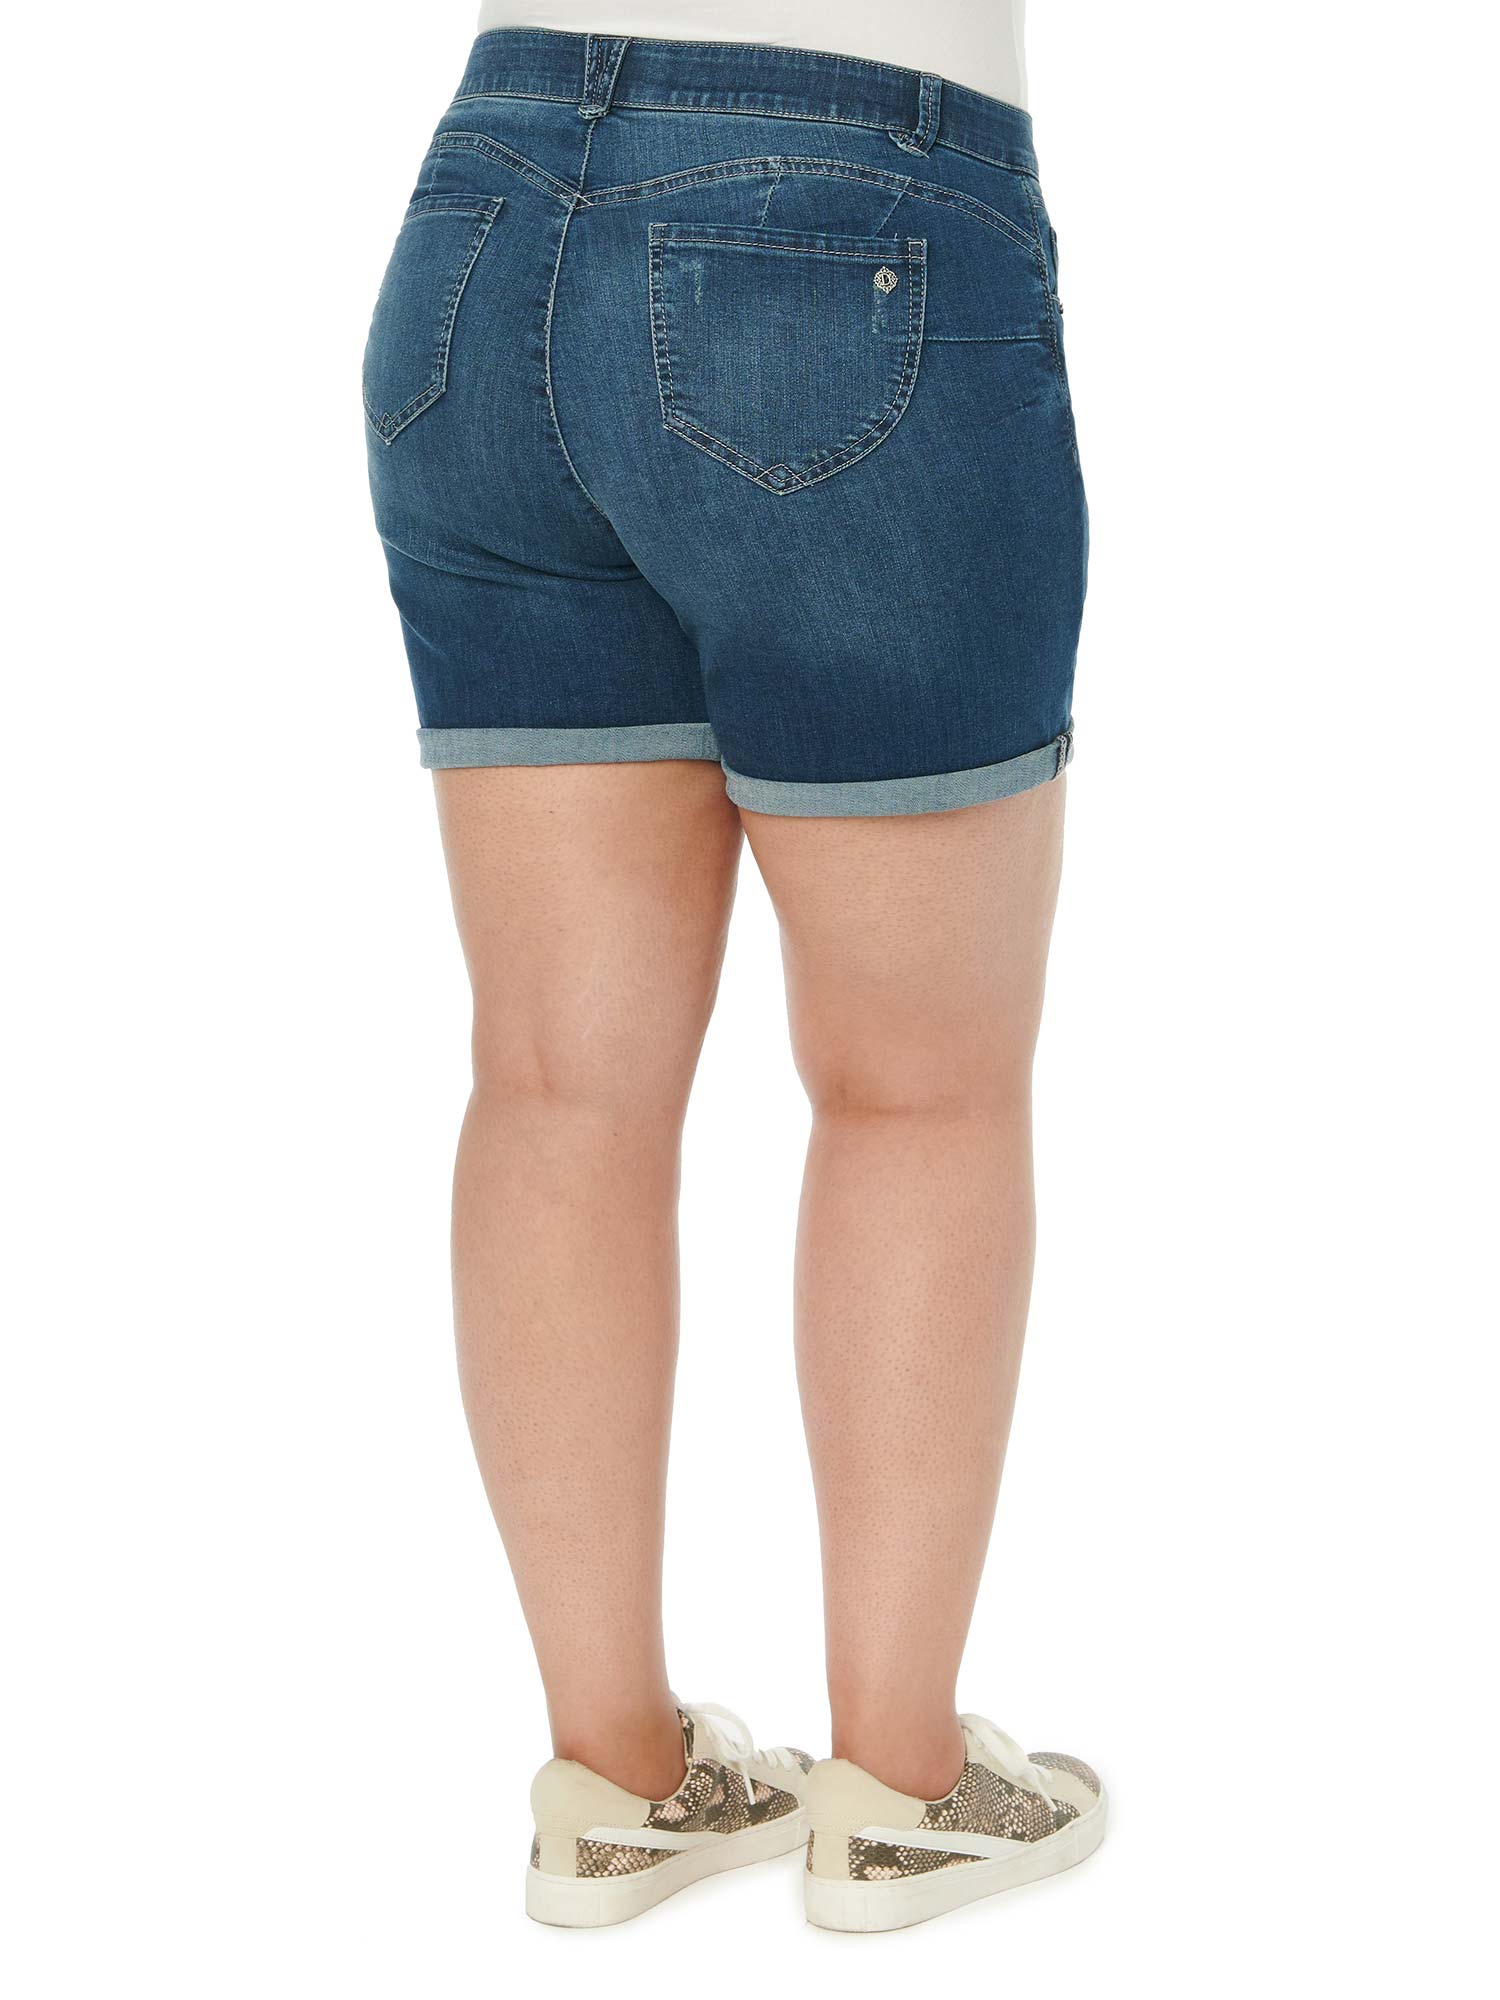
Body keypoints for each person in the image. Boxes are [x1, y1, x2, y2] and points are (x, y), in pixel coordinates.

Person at [362, 5, 1102, 1932]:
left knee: (556, 1078)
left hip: (485, 221)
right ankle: (904, 1788)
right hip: (847, 215)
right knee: (916, 1081)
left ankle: (616, 1782)